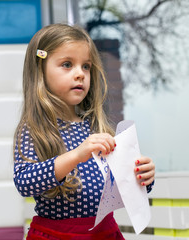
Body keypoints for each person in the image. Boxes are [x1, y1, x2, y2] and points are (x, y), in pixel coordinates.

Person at [13, 23, 155, 240]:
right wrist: (76, 156)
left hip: (105, 233)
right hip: (56, 234)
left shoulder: (97, 128)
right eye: (67, 64)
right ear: (40, 70)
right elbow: (24, 182)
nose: (80, 74)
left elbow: (120, 188)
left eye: (86, 66)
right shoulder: (34, 129)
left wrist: (142, 177)